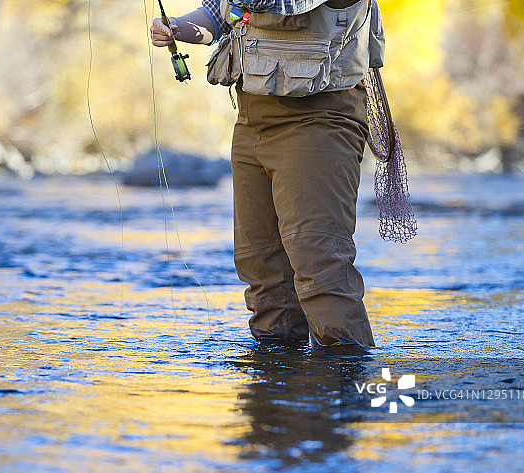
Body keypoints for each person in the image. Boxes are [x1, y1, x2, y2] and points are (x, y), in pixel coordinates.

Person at [151, 0, 378, 347]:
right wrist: (178, 28)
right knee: (264, 275)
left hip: (319, 118)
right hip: (251, 118)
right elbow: (220, 10)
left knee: (322, 271)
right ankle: (274, 390)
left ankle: (345, 387)